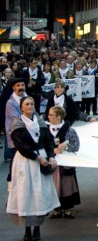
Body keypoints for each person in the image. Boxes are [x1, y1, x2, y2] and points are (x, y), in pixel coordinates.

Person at [7, 96, 60, 241]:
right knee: (26, 195)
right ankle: (27, 230)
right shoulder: (17, 124)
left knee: (39, 195)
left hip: (41, 159)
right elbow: (21, 146)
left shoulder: (41, 122)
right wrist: (38, 158)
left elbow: (48, 142)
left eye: (32, 104)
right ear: (21, 107)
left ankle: (37, 229)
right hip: (26, 161)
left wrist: (51, 157)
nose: (30, 106)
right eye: (27, 104)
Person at [47, 106, 81, 219]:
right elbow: (43, 145)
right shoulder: (46, 130)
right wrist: (53, 150)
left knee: (66, 185)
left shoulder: (70, 130)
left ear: (58, 116)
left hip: (66, 164)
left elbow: (76, 146)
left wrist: (65, 147)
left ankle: (66, 209)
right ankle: (56, 210)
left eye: (51, 115)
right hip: (52, 163)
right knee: (54, 185)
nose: (48, 117)